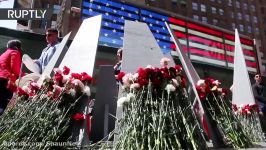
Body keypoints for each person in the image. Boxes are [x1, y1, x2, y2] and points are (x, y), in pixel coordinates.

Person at [0, 39, 23, 115]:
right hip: (5, 81)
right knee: (3, 104)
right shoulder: (15, 52)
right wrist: (25, 75)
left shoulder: (4, 53)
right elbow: (15, 69)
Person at [252, 73, 266, 140]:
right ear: (255, 78)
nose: (259, 77)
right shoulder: (254, 86)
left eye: (259, 76)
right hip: (259, 105)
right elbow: (256, 96)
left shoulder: (264, 86)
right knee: (262, 119)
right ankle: (264, 134)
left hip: (264, 104)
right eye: (257, 76)